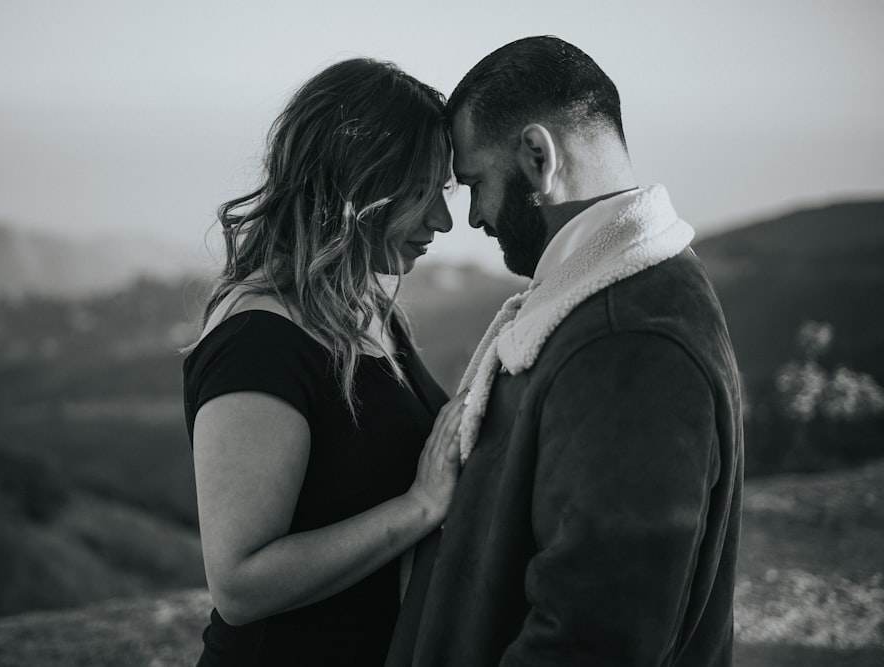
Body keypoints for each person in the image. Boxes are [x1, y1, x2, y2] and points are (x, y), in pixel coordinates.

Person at [387, 36, 744, 666]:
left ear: (536, 154)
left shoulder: (629, 340)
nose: (471, 218)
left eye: (475, 183)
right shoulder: (603, 305)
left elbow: (598, 635)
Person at [182, 58, 466, 667]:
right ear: (360, 184)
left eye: (444, 190)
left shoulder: (366, 311)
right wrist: (419, 507)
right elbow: (239, 585)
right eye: (423, 191)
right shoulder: (257, 340)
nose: (443, 221)